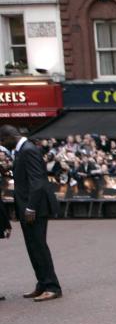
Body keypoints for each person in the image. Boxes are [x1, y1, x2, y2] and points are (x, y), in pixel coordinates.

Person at [0, 125, 62, 301]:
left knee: (39, 247)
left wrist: (31, 207)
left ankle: (52, 286)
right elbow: (27, 176)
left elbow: (38, 181)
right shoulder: (23, 151)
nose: (3, 145)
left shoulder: (28, 150)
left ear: (10, 137)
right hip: (29, 206)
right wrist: (8, 171)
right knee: (33, 247)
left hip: (34, 208)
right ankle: (42, 283)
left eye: (3, 141)